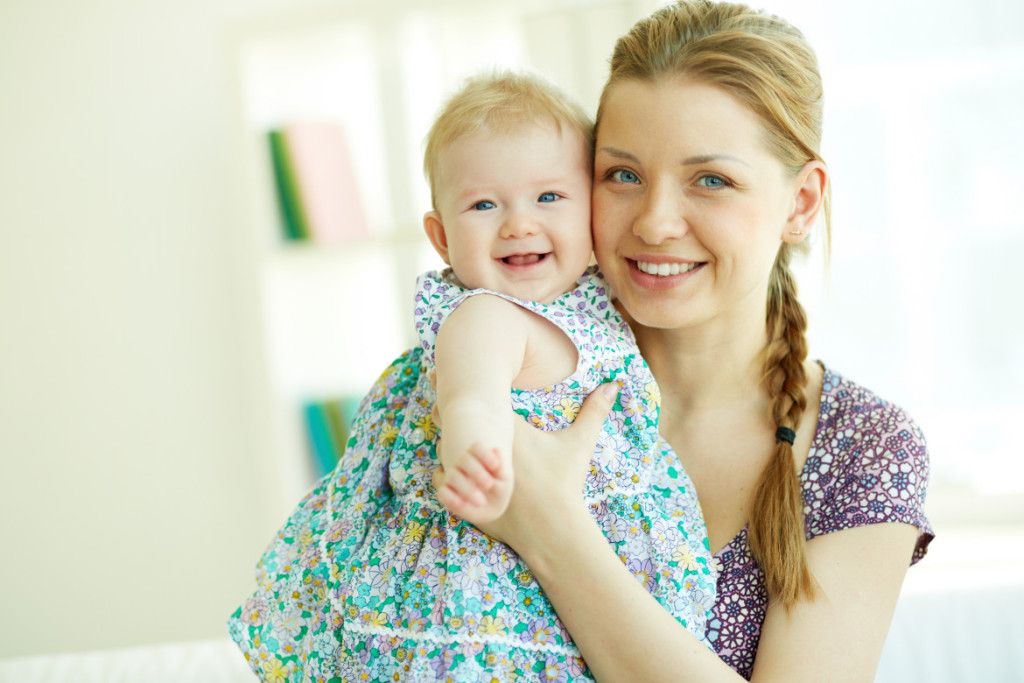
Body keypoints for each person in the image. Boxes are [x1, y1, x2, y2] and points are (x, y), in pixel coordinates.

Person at [430, 2, 934, 681]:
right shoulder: (505, 367)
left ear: (801, 202)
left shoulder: (860, 444)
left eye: (712, 180)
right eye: (623, 175)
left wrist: (549, 526)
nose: (656, 222)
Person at [228, 70, 717, 682]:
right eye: (484, 204)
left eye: (549, 198)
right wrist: (475, 449)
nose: (518, 223)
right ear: (440, 237)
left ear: (592, 217)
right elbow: (472, 397)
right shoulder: (486, 316)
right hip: (489, 589)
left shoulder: (588, 308)